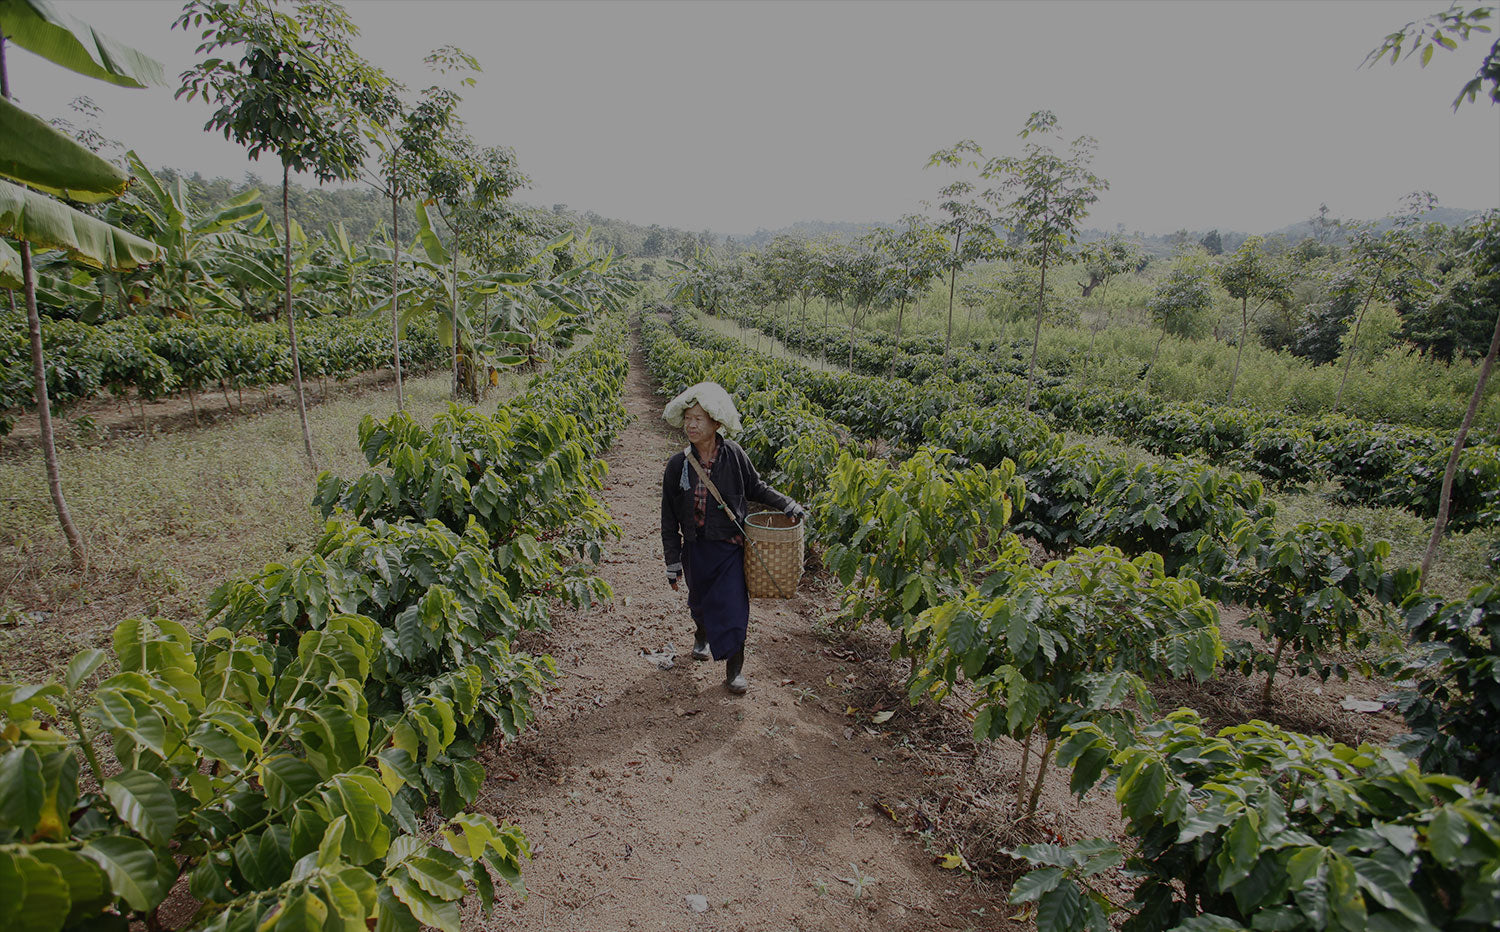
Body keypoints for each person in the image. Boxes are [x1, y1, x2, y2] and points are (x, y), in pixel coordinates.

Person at [660, 381, 805, 694]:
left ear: (716, 423)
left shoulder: (734, 456)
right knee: (699, 603)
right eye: (688, 418)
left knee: (733, 609)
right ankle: (701, 633)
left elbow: (757, 487)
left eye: (699, 418)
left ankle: (734, 670)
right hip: (696, 550)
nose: (691, 424)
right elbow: (669, 518)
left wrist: (786, 503)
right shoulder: (678, 465)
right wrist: (672, 560)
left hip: (729, 550)